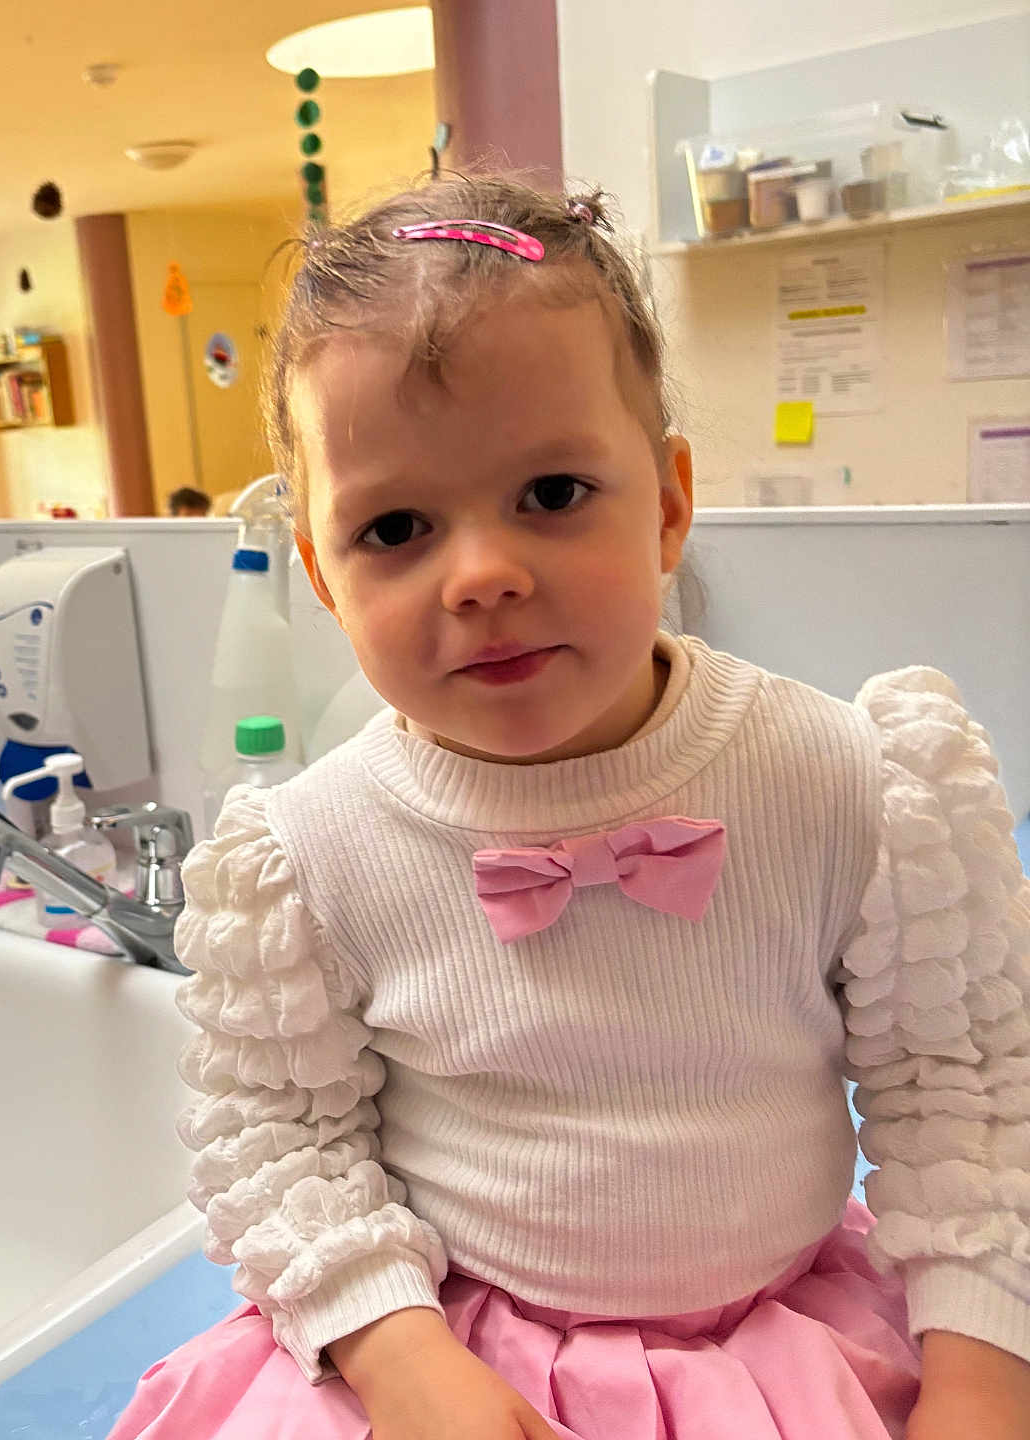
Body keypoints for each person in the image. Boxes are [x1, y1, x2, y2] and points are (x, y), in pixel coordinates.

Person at [108, 176, 1030, 1439]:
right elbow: (282, 1133)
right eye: (396, 526)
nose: (482, 574)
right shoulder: (312, 853)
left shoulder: (848, 781)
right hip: (452, 1355)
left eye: (551, 495)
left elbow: (960, 1088)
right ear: (321, 574)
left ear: (665, 501)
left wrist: (983, 1375)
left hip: (784, 1354)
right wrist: (395, 1353)